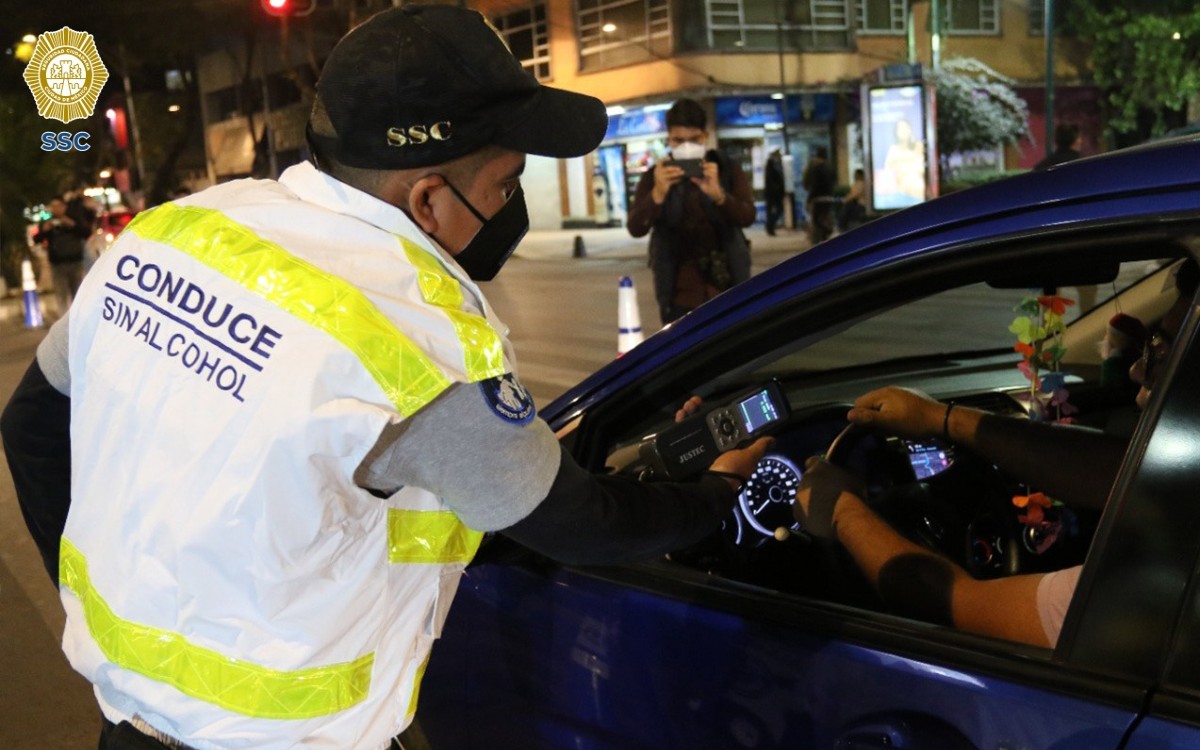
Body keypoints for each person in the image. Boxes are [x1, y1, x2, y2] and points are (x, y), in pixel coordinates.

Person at [0, 8, 771, 750]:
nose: (510, 207)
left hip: (125, 722)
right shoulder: (418, 343)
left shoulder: (172, 235)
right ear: (429, 199)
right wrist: (716, 494)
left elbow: (30, 423)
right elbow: (581, 524)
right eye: (505, 185)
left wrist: (95, 606)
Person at [792, 258, 1197, 649]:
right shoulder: (1181, 484)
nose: (1136, 370)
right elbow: (1120, 470)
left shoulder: (1148, 593)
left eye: (1163, 351)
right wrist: (940, 418)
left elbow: (956, 601)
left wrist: (841, 510)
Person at [627, 98, 756, 324]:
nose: (687, 147)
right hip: (678, 293)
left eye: (694, 139)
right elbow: (636, 228)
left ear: (705, 137)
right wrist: (657, 194)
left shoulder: (726, 169)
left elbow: (747, 216)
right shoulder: (655, 175)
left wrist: (719, 196)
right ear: (669, 140)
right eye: (678, 140)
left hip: (726, 286)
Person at [33, 195, 91, 315]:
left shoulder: (73, 218)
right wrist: (45, 230)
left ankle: (79, 317)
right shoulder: (48, 221)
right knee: (61, 295)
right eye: (53, 206)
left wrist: (71, 224)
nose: (56, 209)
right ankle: (64, 321)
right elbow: (37, 239)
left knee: (78, 293)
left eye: (58, 206)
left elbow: (86, 233)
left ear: (64, 206)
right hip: (57, 264)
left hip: (75, 262)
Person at [801, 146, 836, 243]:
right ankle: (824, 235)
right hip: (828, 197)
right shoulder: (830, 167)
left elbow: (814, 186)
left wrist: (810, 198)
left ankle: (826, 232)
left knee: (816, 219)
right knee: (824, 217)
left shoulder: (816, 168)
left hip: (818, 198)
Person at [837, 168, 867, 233]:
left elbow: (853, 195)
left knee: (845, 210)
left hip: (860, 206)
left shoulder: (860, 183)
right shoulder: (863, 183)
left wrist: (844, 200)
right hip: (861, 206)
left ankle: (841, 228)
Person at [764, 148, 786, 236]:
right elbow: (771, 179)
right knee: (775, 210)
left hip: (776, 193)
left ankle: (770, 226)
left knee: (777, 210)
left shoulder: (777, 164)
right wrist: (777, 188)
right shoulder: (771, 164)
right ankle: (770, 226)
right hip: (772, 193)